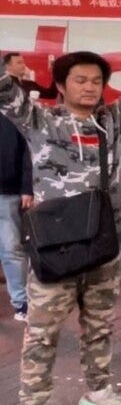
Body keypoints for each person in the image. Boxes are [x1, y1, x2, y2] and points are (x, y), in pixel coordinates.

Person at [1, 18, 121, 405]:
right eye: (80, 79)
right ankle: (34, 398)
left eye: (96, 80)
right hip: (56, 247)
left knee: (99, 326)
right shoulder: (41, 121)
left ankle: (99, 391)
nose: (89, 86)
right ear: (63, 84)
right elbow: (5, 92)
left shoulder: (112, 122)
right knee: (41, 331)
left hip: (103, 244)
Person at [0, 112, 30, 322]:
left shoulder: (13, 113)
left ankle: (22, 303)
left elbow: (27, 152)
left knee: (11, 249)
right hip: (8, 191)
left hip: (8, 192)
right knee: (12, 250)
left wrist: (27, 188)